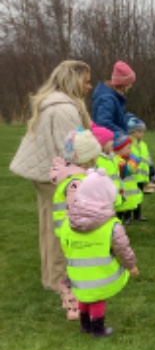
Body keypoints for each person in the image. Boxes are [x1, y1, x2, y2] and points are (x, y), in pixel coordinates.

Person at [10, 60, 93, 297]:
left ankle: (51, 275)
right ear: (73, 80)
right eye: (86, 82)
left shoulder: (55, 103)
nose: (89, 86)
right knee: (61, 227)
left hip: (45, 172)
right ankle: (57, 278)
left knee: (49, 224)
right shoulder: (65, 109)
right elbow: (70, 149)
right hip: (54, 175)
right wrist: (86, 170)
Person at [60, 168, 139, 337]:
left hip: (77, 272)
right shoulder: (111, 225)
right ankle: (97, 329)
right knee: (97, 299)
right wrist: (131, 266)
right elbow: (122, 248)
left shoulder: (68, 222)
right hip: (101, 274)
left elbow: (64, 244)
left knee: (84, 296)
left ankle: (85, 325)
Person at [49, 128, 102, 321]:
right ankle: (73, 304)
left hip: (69, 232)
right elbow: (76, 210)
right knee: (78, 269)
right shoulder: (77, 182)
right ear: (88, 158)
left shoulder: (74, 178)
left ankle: (73, 300)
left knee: (75, 268)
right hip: (75, 233)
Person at [91, 60, 136, 139]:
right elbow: (103, 123)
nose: (130, 86)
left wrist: (131, 118)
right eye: (129, 83)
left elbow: (117, 117)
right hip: (109, 142)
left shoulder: (114, 96)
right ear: (122, 84)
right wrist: (123, 135)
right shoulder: (107, 99)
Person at [127, 116, 153, 218]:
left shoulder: (143, 145)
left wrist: (151, 167)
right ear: (132, 132)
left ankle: (138, 214)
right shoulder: (128, 144)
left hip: (141, 176)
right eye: (139, 132)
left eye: (142, 132)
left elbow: (147, 157)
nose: (142, 134)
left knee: (139, 195)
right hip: (131, 176)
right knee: (130, 196)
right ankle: (128, 216)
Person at [112, 133, 141, 224]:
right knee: (117, 216)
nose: (130, 150)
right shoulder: (117, 160)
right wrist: (134, 159)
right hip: (120, 194)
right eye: (128, 148)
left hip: (125, 195)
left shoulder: (125, 159)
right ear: (119, 149)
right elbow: (128, 170)